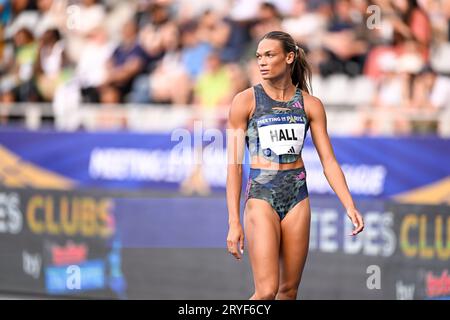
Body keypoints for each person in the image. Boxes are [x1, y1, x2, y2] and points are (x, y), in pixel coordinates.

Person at [225, 30, 365, 300]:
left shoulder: (310, 105)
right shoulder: (245, 101)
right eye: (258, 57)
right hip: (261, 196)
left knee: (288, 292)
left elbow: (329, 161)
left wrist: (349, 204)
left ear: (289, 57)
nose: (262, 62)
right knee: (266, 292)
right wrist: (233, 221)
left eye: (269, 55)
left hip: (297, 197)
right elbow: (233, 165)